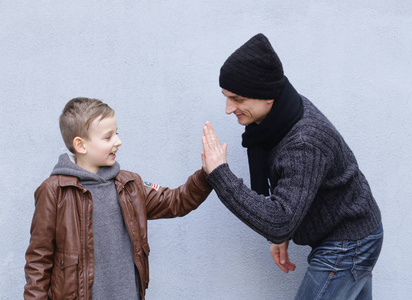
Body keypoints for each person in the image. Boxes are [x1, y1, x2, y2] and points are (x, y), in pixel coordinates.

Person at [201, 33, 383, 299]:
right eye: (226, 97)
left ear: (267, 97)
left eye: (238, 99)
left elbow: (280, 220)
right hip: (351, 233)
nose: (229, 108)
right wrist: (280, 232)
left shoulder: (304, 141)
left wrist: (220, 175)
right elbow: (289, 197)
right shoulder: (281, 115)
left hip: (349, 244)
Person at [24, 97, 212, 300]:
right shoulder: (54, 191)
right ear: (81, 145)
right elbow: (38, 261)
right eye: (108, 137)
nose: (118, 141)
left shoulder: (129, 185)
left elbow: (177, 201)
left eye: (117, 133)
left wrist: (208, 174)